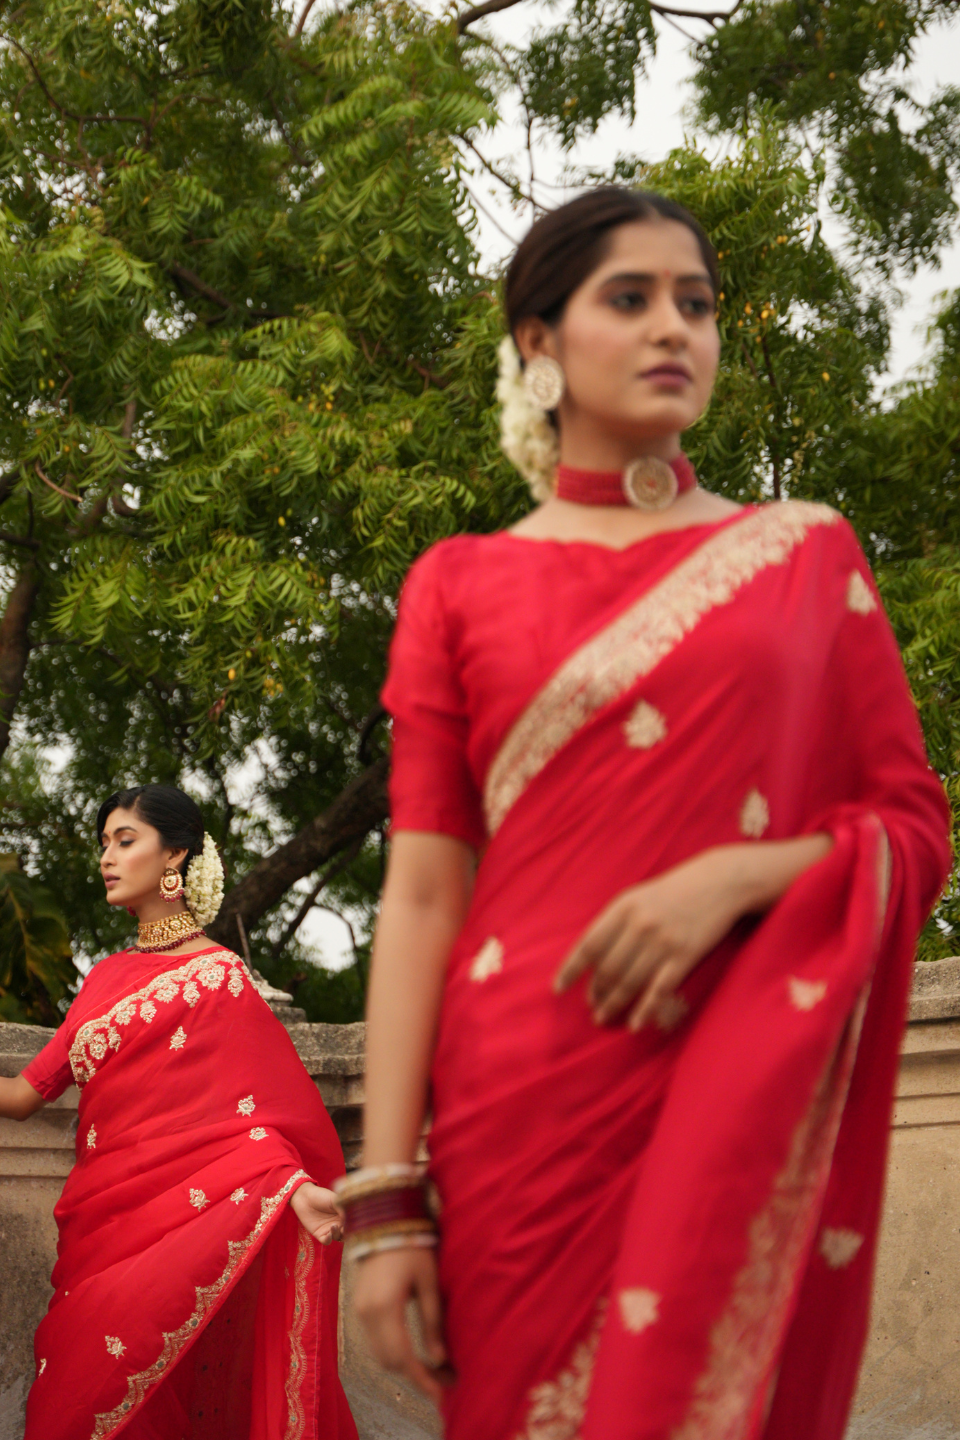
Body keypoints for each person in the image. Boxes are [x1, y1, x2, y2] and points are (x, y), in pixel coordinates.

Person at [341, 189, 953, 1440]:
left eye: (699, 303)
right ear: (539, 344)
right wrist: (387, 1200)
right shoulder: (461, 583)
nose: (676, 327)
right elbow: (421, 893)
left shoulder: (805, 555)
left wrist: (736, 879)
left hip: (733, 1081)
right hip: (521, 1105)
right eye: (631, 299)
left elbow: (910, 826)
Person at [0, 783, 357, 1440]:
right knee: (69, 1401)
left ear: (175, 857)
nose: (107, 857)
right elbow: (25, 1094)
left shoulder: (220, 979)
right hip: (97, 1236)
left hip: (177, 1230)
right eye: (104, 843)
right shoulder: (104, 980)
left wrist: (289, 1187)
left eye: (125, 840)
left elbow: (253, 1116)